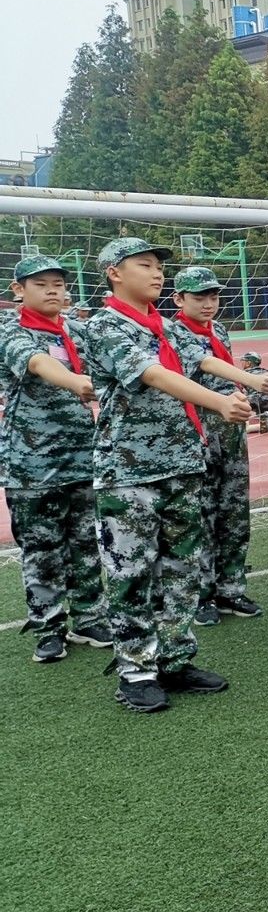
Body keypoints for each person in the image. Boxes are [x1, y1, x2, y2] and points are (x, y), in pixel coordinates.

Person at [85, 238, 254, 712]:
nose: (157, 274)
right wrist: (219, 401)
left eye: (160, 267)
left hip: (181, 463)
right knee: (132, 571)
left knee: (182, 567)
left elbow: (200, 357)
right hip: (128, 469)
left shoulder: (162, 324)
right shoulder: (104, 325)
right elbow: (154, 373)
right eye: (145, 266)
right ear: (115, 272)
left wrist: (245, 382)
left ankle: (175, 658)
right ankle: (136, 669)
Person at [1, 256, 111, 664]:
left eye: (58, 284)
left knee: (85, 540)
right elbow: (37, 363)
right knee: (42, 547)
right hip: (32, 461)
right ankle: (48, 627)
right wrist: (78, 382)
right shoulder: (12, 330)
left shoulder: (76, 330)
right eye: (42, 284)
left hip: (83, 454)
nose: (53, 291)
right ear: (19, 290)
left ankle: (88, 618)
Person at [167, 266, 268, 627]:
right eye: (199, 297)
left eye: (213, 296)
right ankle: (201, 595)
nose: (208, 303)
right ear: (179, 299)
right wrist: (250, 380)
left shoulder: (218, 330)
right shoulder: (170, 332)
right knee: (200, 515)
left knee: (233, 511)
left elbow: (222, 374)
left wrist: (247, 394)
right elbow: (200, 367)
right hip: (193, 432)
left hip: (228, 432)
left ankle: (230, 588)